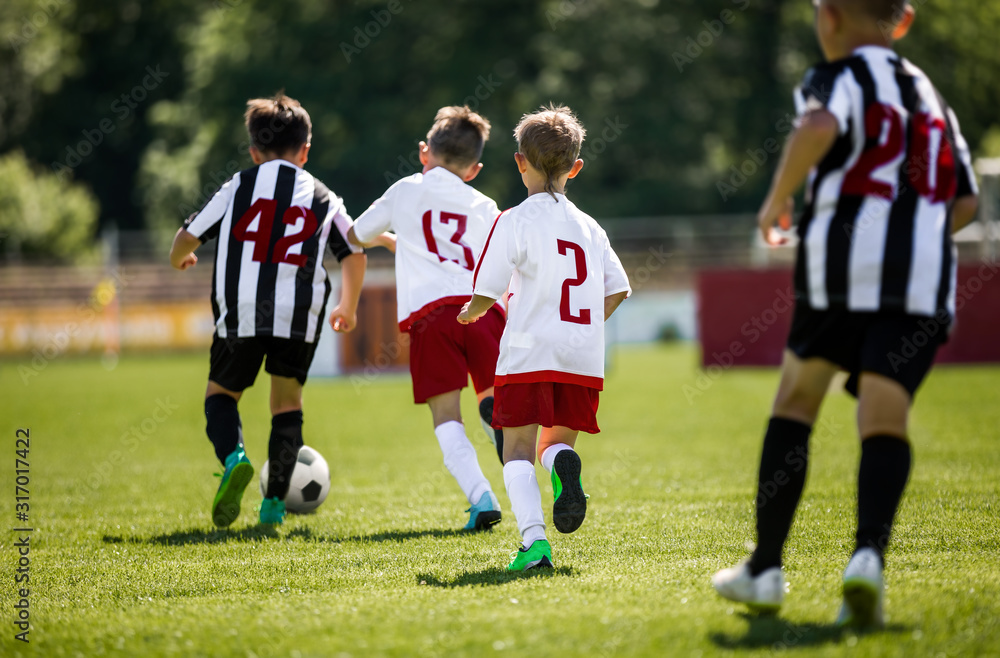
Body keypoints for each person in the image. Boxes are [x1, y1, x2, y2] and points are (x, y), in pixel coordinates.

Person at [712, 0, 979, 627]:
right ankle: (867, 559)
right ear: (903, 21)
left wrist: (775, 202)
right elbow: (964, 201)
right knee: (885, 412)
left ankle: (766, 569)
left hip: (842, 269)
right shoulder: (931, 95)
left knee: (798, 401)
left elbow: (818, 127)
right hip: (920, 281)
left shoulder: (835, 76)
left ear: (827, 17)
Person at [169, 93, 376, 527]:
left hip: (242, 311)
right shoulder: (323, 196)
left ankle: (234, 458)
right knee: (286, 403)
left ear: (253, 151)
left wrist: (180, 259)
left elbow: (187, 237)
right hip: (299, 314)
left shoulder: (238, 186)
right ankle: (274, 506)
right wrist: (348, 306)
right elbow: (354, 251)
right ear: (305, 151)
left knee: (221, 396)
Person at [459, 104, 631, 571]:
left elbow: (487, 288)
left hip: (527, 352)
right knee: (555, 444)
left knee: (515, 450)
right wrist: (582, 327)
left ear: (519, 162)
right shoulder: (590, 227)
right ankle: (560, 465)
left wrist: (470, 314)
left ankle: (534, 544)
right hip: (580, 356)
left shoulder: (514, 219)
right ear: (575, 168)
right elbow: (618, 289)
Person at [348, 106, 507, 531]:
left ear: (424, 152)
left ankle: (481, 496)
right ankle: (499, 424)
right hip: (484, 310)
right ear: (474, 170)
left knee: (446, 417)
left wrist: (386, 238)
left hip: (433, 316)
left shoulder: (405, 191)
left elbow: (355, 235)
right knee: (495, 399)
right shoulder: (485, 204)